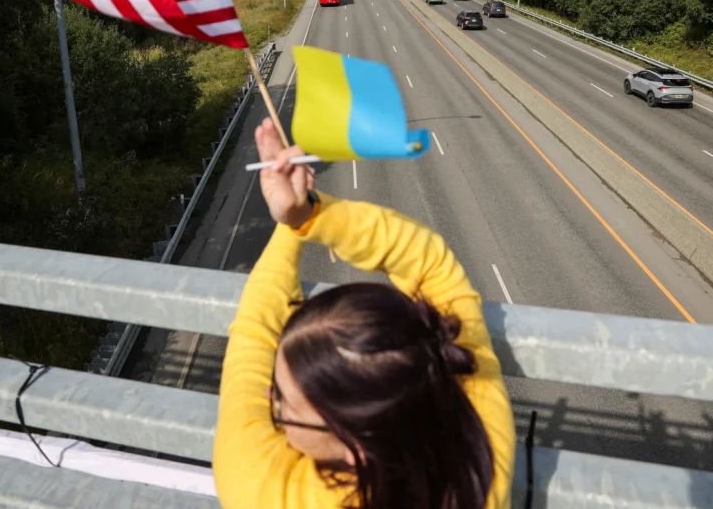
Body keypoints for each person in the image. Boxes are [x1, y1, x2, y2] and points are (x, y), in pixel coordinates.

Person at [213, 119, 515, 509]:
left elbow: (254, 332)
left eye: (283, 404)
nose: (266, 396)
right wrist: (305, 215)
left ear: (356, 449)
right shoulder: (478, 460)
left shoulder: (261, 487)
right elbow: (432, 267)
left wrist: (297, 218)